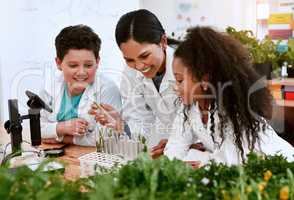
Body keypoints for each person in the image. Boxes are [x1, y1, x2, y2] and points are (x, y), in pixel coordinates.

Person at [164, 26, 294, 165]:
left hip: (277, 168)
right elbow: (173, 150)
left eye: (180, 80)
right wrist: (191, 160)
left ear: (204, 79)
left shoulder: (233, 109)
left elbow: (230, 161)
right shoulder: (189, 109)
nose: (175, 87)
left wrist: (201, 159)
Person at [90, 9, 202, 158]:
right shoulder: (131, 73)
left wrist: (181, 144)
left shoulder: (189, 66)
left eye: (144, 56)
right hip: (167, 148)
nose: (139, 66)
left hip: (200, 149)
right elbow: (140, 121)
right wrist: (121, 125)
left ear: (163, 42)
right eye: (129, 59)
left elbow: (202, 121)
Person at [40, 25, 121, 146]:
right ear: (58, 63)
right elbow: (36, 129)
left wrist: (62, 138)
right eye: (73, 65)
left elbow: (106, 138)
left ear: (97, 62)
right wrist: (61, 128)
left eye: (88, 65)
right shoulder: (50, 87)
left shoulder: (107, 89)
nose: (82, 72)